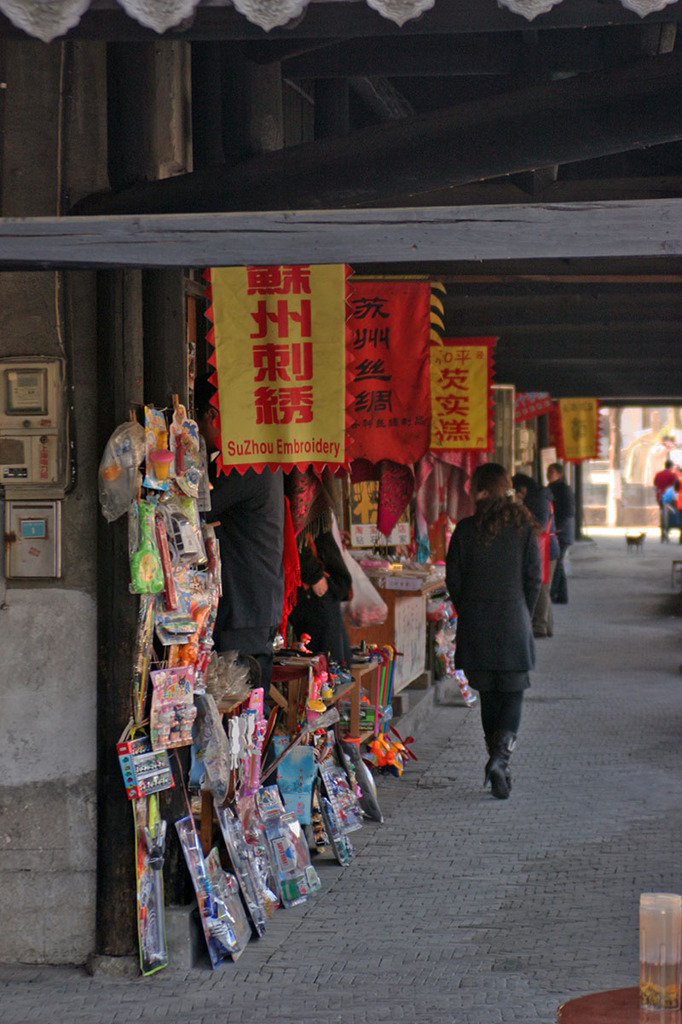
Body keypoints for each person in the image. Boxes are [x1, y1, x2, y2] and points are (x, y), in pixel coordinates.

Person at [446, 463, 542, 800]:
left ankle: (496, 760)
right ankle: (500, 761)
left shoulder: (465, 529)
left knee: (489, 695)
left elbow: (453, 581)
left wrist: (469, 608)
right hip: (514, 622)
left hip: (477, 624)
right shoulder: (523, 527)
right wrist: (522, 613)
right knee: (513, 693)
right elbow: (534, 579)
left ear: (482, 491)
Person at [195, 374, 284, 690]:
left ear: (212, 416)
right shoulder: (258, 458)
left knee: (239, 708)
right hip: (256, 606)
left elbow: (198, 508)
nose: (199, 435)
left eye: (198, 424)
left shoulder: (247, 464)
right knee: (247, 710)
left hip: (246, 608)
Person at [286, 469, 353, 667]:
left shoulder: (311, 473)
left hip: (323, 584)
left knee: (332, 663)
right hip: (310, 586)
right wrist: (314, 574)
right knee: (323, 665)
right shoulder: (299, 474)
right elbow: (294, 529)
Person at [512, 472, 560, 639]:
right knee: (543, 587)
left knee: (541, 586)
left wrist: (523, 511)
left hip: (546, 548)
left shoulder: (538, 499)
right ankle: (547, 626)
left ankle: (539, 627)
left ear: (523, 488)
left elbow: (539, 526)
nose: (517, 496)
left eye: (517, 492)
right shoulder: (538, 496)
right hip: (545, 547)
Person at [547, 462, 575, 605]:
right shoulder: (550, 488)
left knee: (556, 563)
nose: (548, 474)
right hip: (555, 532)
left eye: (552, 472)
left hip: (561, 533)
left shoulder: (564, 489)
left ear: (559, 474)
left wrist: (557, 528)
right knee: (559, 564)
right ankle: (562, 596)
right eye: (548, 471)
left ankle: (553, 593)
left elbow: (569, 512)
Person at [653, 459, 677, 542]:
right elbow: (675, 486)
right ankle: (667, 529)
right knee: (671, 514)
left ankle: (662, 532)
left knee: (662, 513)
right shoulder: (672, 475)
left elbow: (655, 484)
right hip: (669, 497)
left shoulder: (658, 474)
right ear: (671, 466)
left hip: (660, 497)